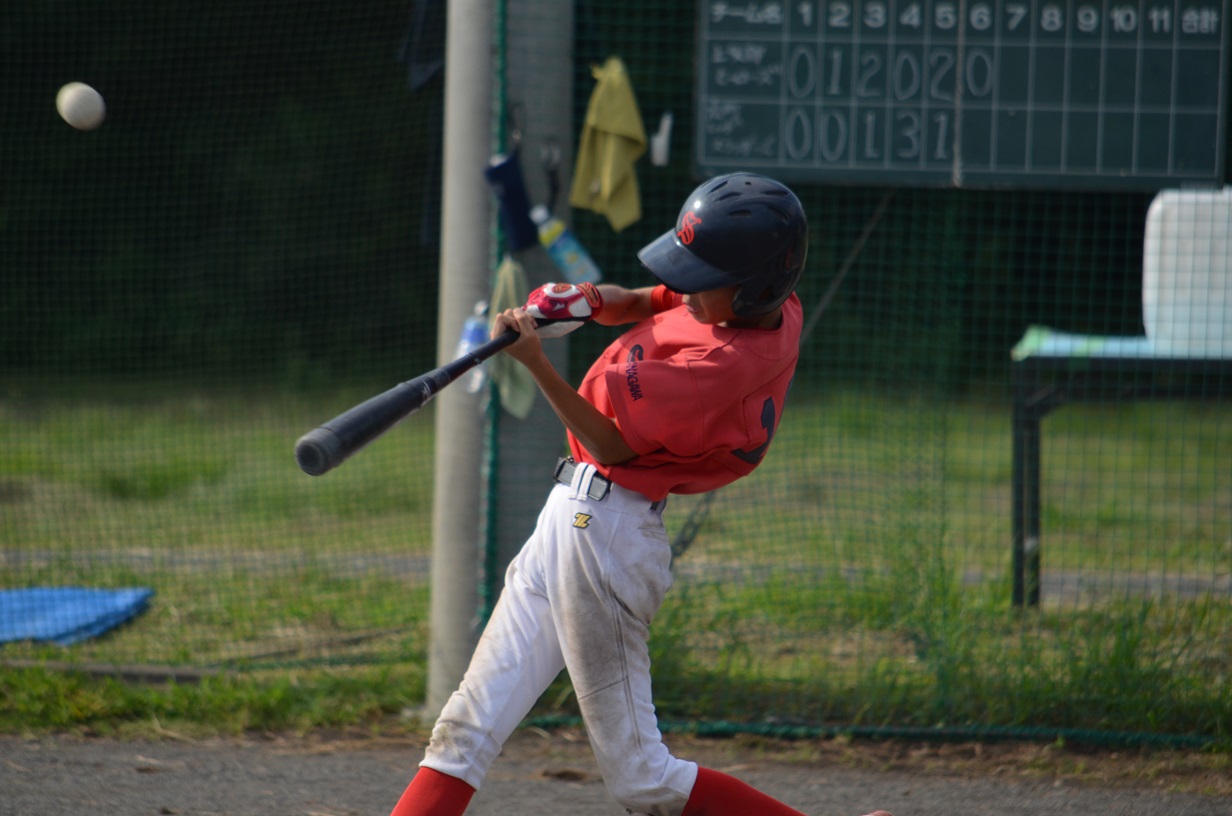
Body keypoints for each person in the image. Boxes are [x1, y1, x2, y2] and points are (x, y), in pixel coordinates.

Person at [387, 173, 891, 816]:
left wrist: (538, 362)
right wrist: (588, 300)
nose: (686, 285)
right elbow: (648, 300)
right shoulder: (763, 307)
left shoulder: (716, 371)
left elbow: (612, 446)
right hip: (573, 519)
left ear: (756, 283)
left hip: (606, 535)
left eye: (700, 273)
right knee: (466, 729)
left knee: (643, 780)